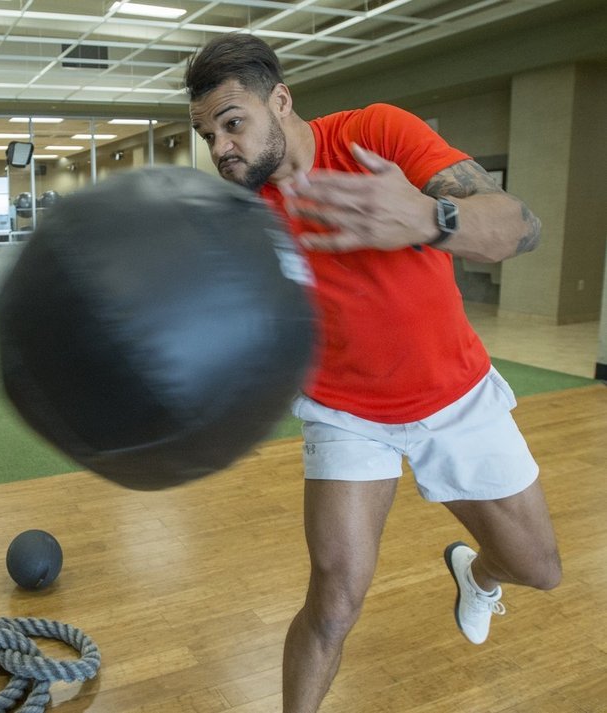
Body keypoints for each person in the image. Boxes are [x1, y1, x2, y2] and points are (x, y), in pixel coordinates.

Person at [185, 33, 562, 713]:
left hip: (457, 394)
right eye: (207, 133)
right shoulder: (243, 217)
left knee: (540, 568)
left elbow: (519, 225)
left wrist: (423, 215)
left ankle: (476, 574)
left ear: (281, 99)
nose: (220, 147)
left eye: (232, 122)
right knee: (334, 600)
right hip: (346, 412)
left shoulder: (375, 134)